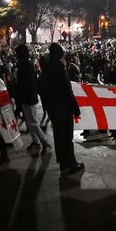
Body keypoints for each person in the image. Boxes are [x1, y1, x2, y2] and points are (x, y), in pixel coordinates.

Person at [43, 43, 84, 175]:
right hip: (64, 109)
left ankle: (63, 163)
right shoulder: (61, 71)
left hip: (53, 110)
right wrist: (76, 109)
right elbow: (68, 92)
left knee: (58, 136)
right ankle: (72, 164)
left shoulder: (47, 69)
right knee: (67, 137)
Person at [15, 44, 52, 157]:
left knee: (33, 122)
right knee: (30, 122)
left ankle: (45, 143)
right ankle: (36, 141)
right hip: (28, 98)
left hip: (28, 98)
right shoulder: (26, 64)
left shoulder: (25, 65)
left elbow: (27, 84)